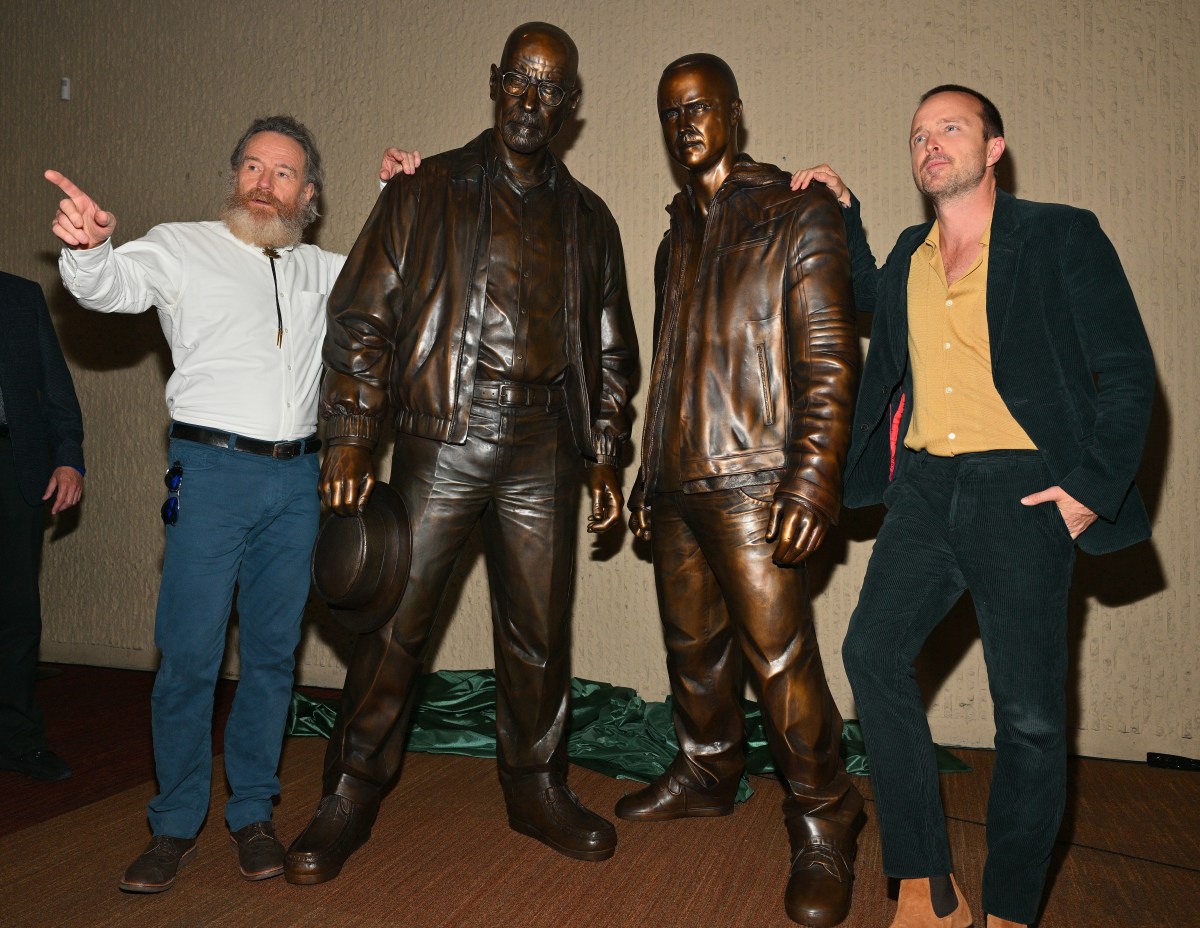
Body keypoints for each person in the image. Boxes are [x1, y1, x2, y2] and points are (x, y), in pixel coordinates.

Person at [283, 22, 638, 885]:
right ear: (493, 81)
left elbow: (612, 350)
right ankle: (349, 795)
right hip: (445, 435)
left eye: (550, 89)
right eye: (518, 80)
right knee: (396, 626)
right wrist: (351, 433)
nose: (530, 100)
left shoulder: (591, 219)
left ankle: (535, 786)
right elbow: (362, 317)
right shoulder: (426, 189)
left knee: (538, 635)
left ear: (571, 106)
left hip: (546, 448)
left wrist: (603, 453)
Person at [793, 86, 1155, 927]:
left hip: (1022, 491)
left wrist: (1089, 493)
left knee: (1027, 718)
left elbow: (1129, 374)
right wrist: (842, 210)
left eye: (950, 128)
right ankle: (924, 886)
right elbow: (864, 299)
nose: (930, 143)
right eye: (918, 133)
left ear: (995, 147)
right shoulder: (915, 252)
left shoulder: (1061, 234)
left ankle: (1011, 909)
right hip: (923, 492)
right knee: (871, 655)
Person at [48, 116, 344, 893]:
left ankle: (252, 812)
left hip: (299, 483)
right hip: (210, 475)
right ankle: (174, 824)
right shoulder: (181, 247)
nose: (262, 182)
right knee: (189, 658)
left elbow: (406, 279)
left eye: (282, 173)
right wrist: (87, 251)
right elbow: (112, 286)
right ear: (235, 175)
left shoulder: (327, 270)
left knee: (275, 658)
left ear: (308, 194)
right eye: (251, 165)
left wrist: (402, 188)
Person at [615, 55, 862, 927]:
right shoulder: (671, 239)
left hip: (758, 477)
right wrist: (648, 471)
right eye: (669, 112)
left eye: (699, 107)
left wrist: (814, 476)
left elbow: (829, 360)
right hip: (679, 477)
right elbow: (672, 367)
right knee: (693, 650)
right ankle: (708, 770)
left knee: (782, 661)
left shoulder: (798, 210)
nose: (684, 123)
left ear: (734, 113)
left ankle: (827, 820)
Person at [0, 272, 85, 783]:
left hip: (13, 462)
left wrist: (69, 458)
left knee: (15, 609)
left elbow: (56, 387)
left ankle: (17, 740)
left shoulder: (19, 295)